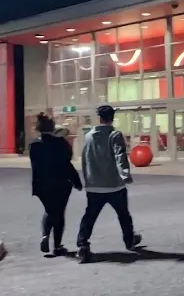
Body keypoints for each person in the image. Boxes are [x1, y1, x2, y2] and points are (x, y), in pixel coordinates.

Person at [77, 105, 142, 264]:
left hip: (94, 185)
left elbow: (85, 159)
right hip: (114, 185)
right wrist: (125, 175)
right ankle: (129, 240)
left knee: (90, 216)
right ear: (112, 118)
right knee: (123, 215)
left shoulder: (89, 136)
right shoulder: (115, 135)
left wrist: (88, 179)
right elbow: (120, 156)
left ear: (99, 118)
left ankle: (83, 244)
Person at [29, 112, 82, 255]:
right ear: (52, 127)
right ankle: (57, 246)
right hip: (61, 183)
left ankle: (45, 235)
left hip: (41, 184)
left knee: (50, 210)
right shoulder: (60, 143)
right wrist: (76, 181)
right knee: (59, 213)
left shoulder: (33, 145)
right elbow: (67, 163)